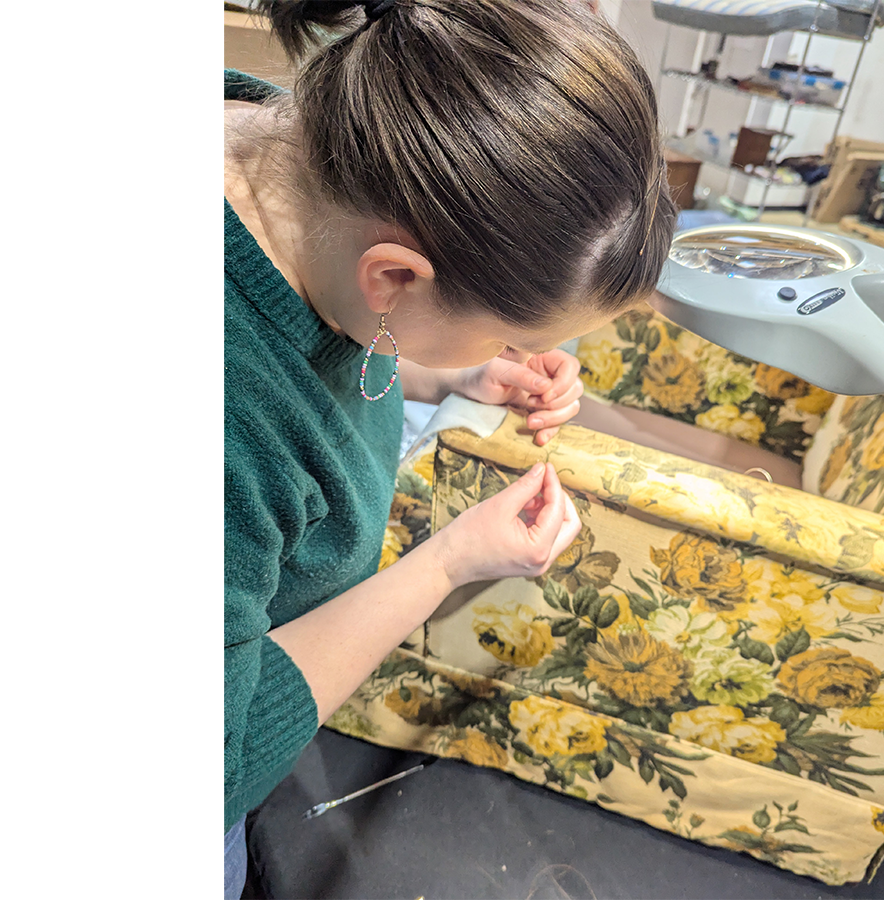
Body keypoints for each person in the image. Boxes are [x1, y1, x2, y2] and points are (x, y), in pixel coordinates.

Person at [223, 1, 677, 896]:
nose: (506, 357)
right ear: (394, 276)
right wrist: (447, 564)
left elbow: (307, 337)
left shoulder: (283, 145)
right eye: (501, 331)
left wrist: (442, 373)